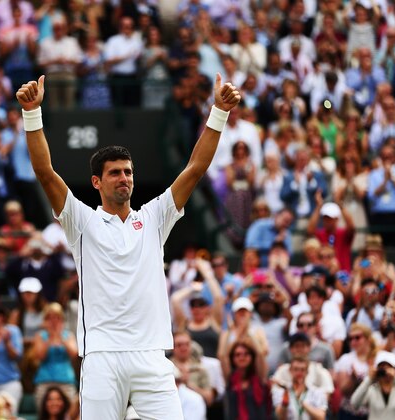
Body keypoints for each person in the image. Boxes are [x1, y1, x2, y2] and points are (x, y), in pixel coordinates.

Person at [15, 73, 239, 419]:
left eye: (129, 172)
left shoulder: (154, 217)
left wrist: (219, 111)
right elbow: (45, 172)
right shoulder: (81, 221)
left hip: (152, 357)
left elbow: (195, 168)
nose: (125, 178)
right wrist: (32, 112)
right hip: (102, 357)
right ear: (96, 182)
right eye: (116, 173)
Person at [350, 350, 395, 419]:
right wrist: (369, 380)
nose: (385, 371)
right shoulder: (372, 388)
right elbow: (354, 403)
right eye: (382, 368)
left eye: (389, 367)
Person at [273, 356, 329, 420]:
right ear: (290, 370)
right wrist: (285, 400)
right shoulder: (282, 391)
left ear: (307, 372)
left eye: (302, 370)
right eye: (296, 369)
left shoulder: (317, 392)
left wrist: (301, 401)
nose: (299, 373)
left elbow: (321, 417)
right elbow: (280, 417)